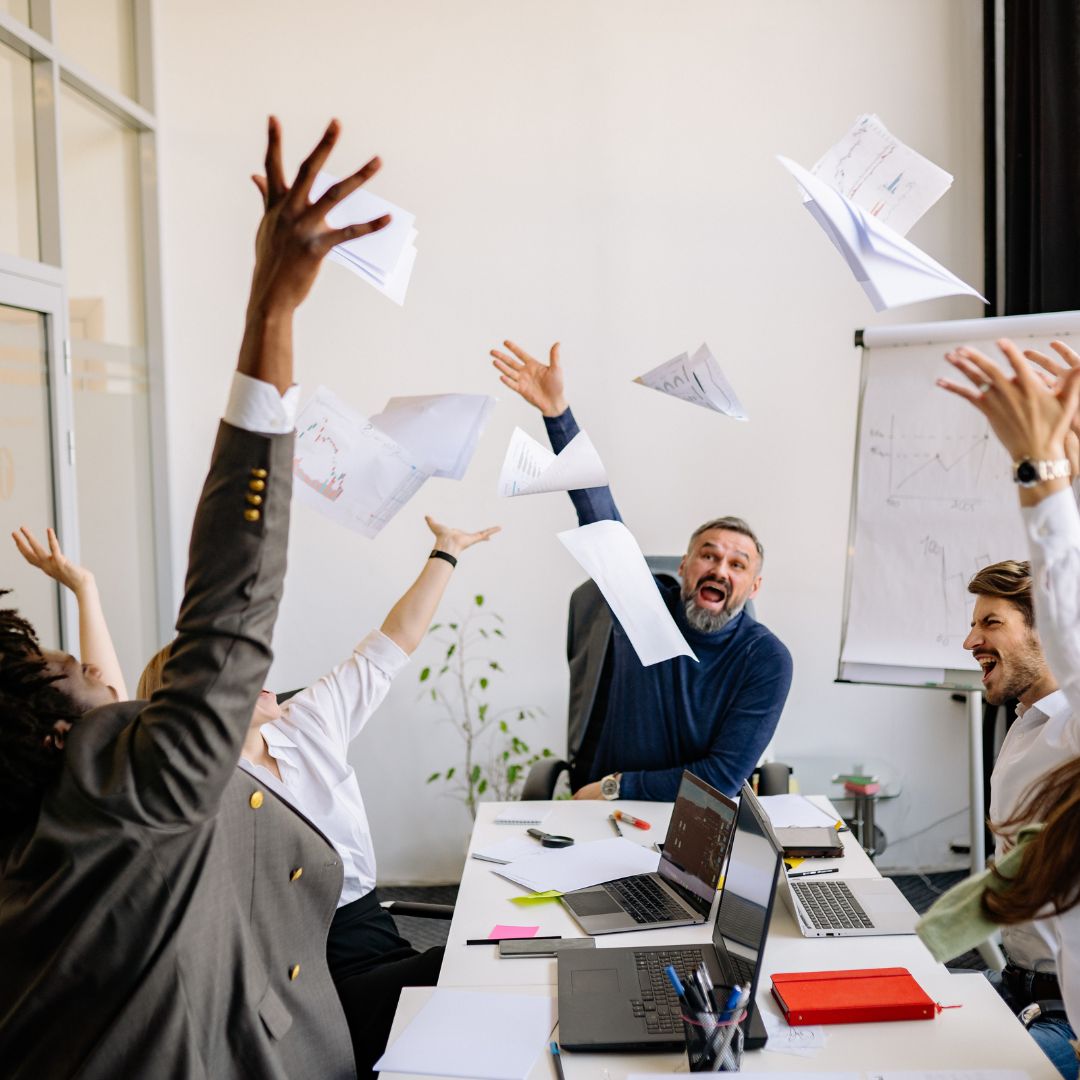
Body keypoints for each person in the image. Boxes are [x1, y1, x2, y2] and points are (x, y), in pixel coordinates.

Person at [0, 116, 389, 1079]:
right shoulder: (132, 796)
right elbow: (230, 600)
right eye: (73, 676)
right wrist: (273, 309)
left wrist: (83, 591)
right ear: (65, 739)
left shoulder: (36, 832)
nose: (97, 672)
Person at [137, 514, 499, 1076]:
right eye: (238, 671)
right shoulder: (202, 790)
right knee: (476, 971)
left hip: (375, 932)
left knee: (479, 980)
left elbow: (390, 646)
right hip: (304, 978)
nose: (262, 675)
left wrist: (446, 552)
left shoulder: (303, 722)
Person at [489, 338, 792, 800]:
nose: (720, 569)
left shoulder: (766, 659)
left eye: (737, 564)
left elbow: (722, 779)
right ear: (686, 566)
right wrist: (557, 413)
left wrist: (614, 787)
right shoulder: (643, 607)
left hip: (687, 817)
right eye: (708, 555)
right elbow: (599, 514)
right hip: (597, 815)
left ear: (754, 586)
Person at [938, 336, 1080, 1078]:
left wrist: (1047, 472)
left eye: (991, 623)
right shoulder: (1025, 725)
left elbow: (1071, 607)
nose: (970, 640)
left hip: (1061, 1019)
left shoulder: (1073, 732)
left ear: (1044, 631)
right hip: (1015, 990)